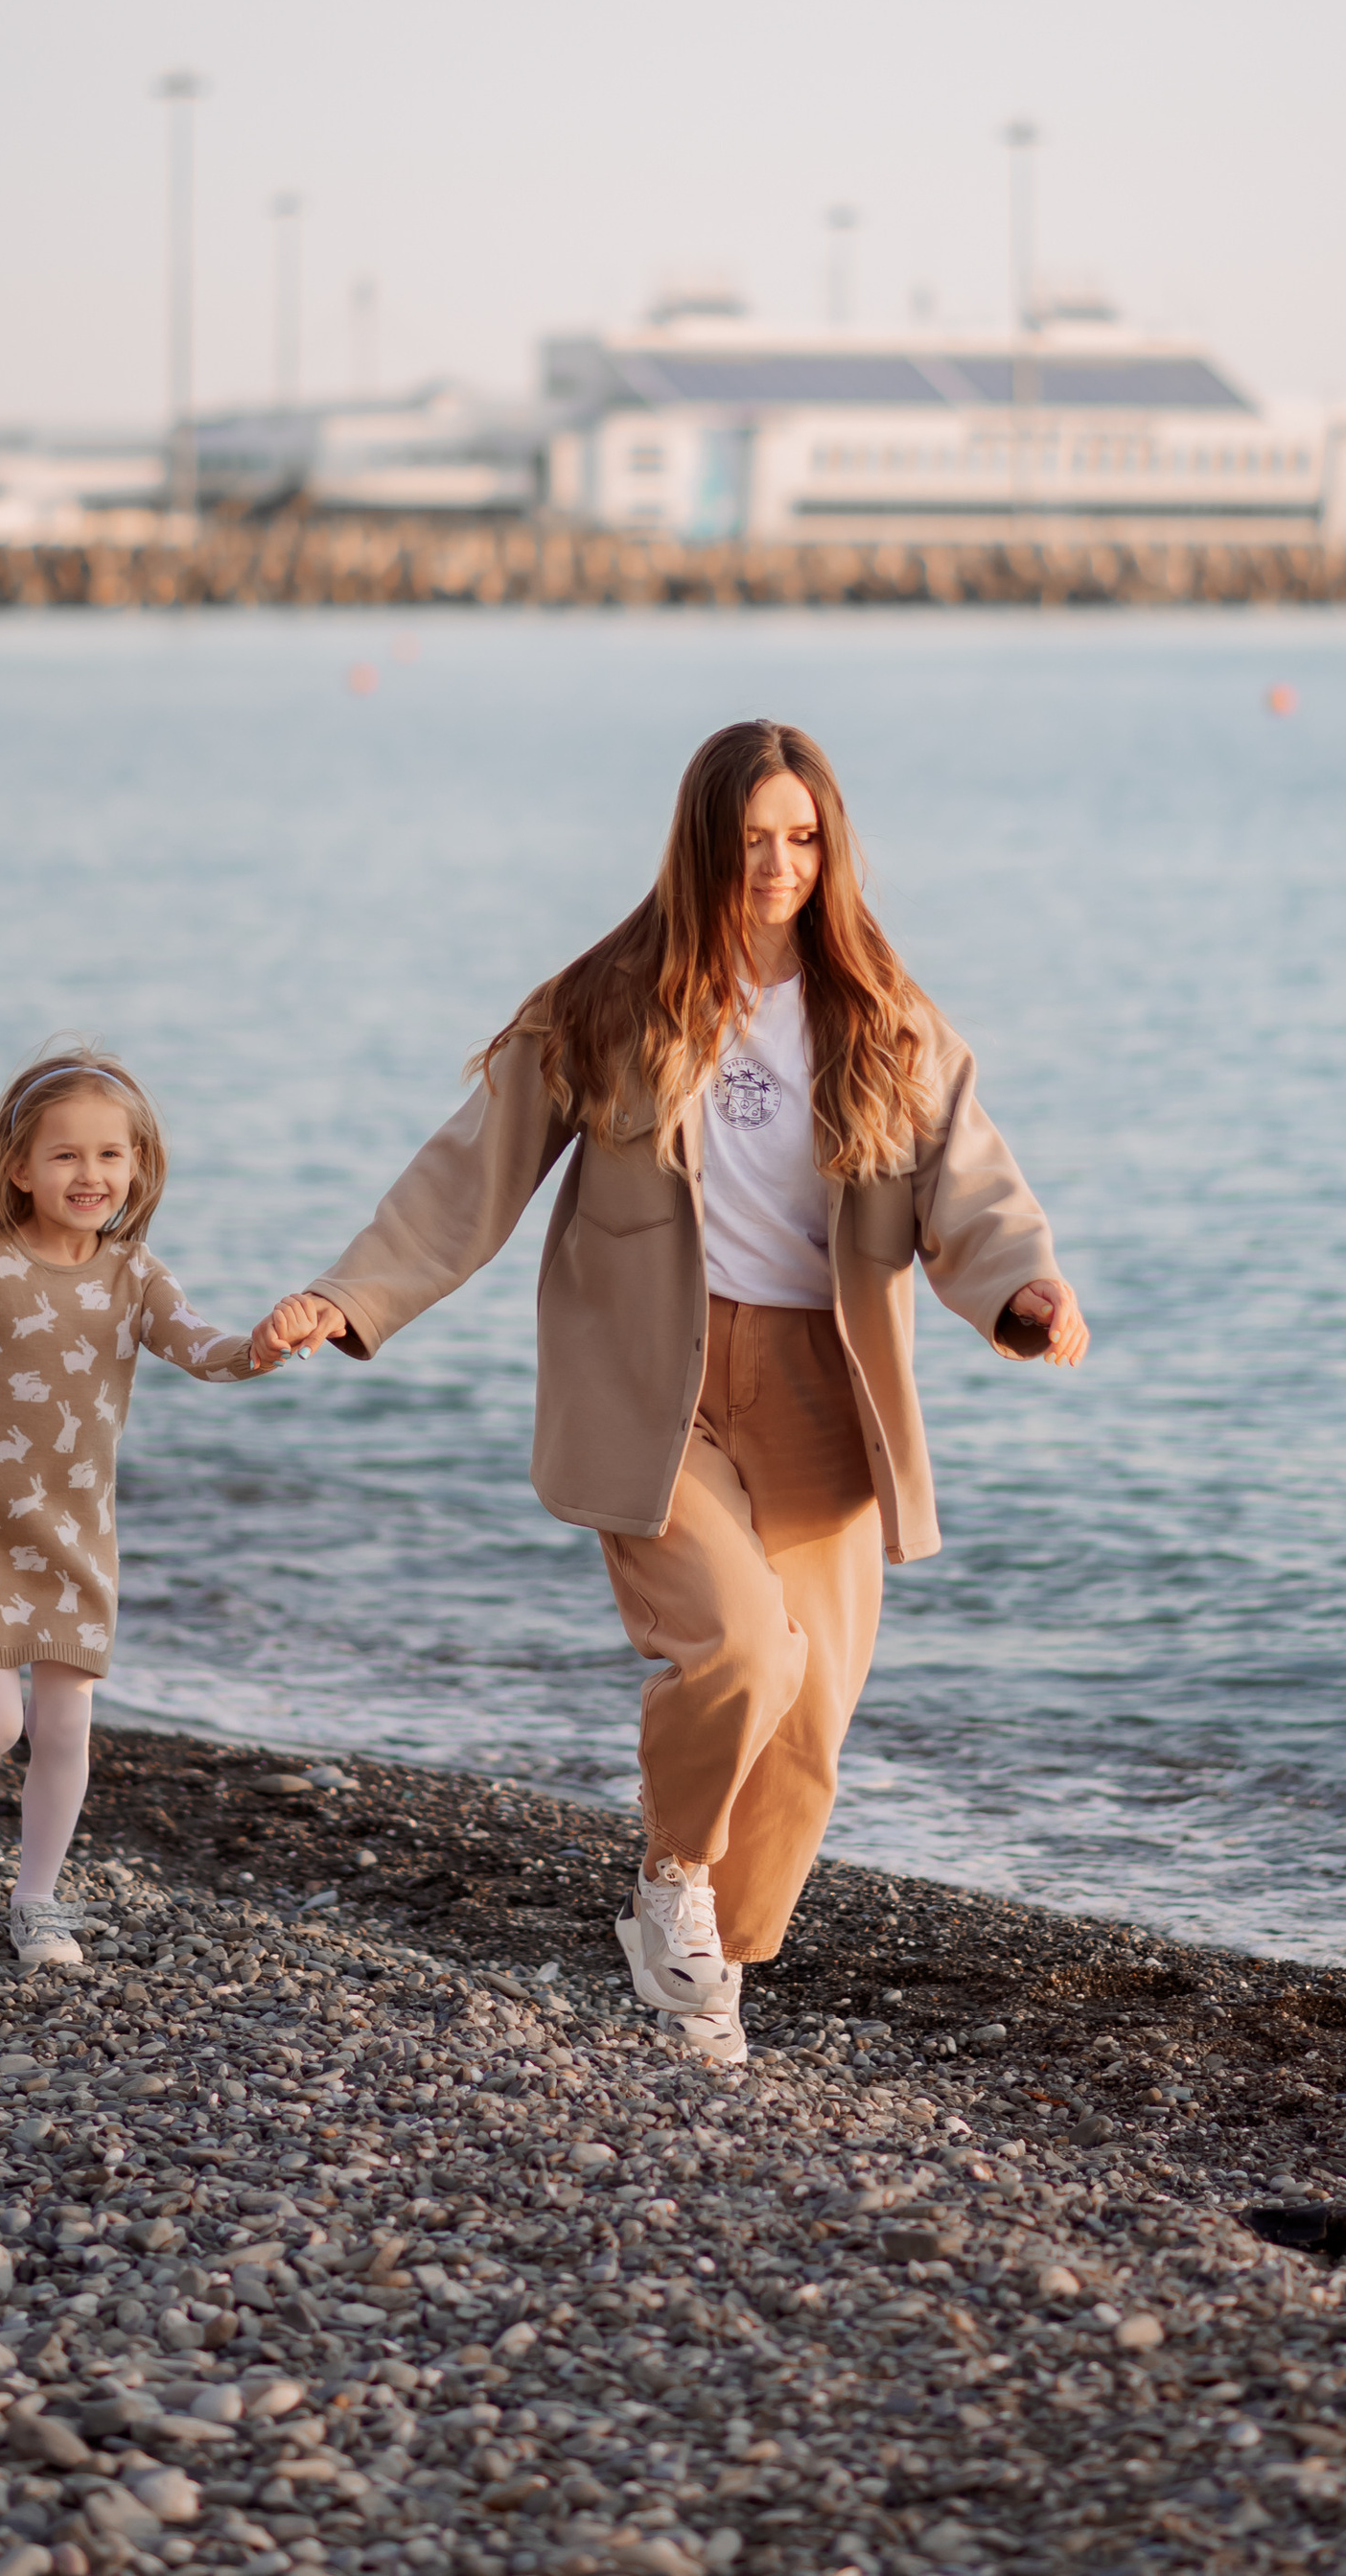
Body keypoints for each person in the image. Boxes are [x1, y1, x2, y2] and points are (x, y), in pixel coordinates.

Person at [254, 718, 1086, 2067]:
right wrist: (351, 1295)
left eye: (801, 838)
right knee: (742, 1648)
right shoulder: (608, 1001)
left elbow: (967, 1185)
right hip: (659, 1380)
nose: (777, 863)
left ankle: (713, 1960)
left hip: (824, 1384)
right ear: (704, 843)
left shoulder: (886, 1013)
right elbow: (472, 1170)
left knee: (809, 1717)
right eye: (751, 838)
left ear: (831, 846)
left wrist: (1025, 1290)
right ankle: (673, 1884)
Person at [0, 1046, 289, 1969]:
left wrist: (263, 1344)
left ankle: (38, 1901)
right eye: (67, 1155)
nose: (91, 1174)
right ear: (20, 1170)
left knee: (65, 1726)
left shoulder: (138, 1276)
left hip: (80, 1536)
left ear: (138, 1169)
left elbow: (205, 1349)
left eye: (111, 1155)